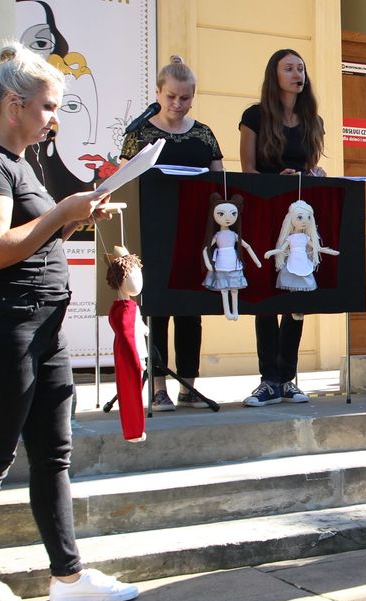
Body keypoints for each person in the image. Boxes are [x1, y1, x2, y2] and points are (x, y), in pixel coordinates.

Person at [0, 41, 138, 601]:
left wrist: (76, 216)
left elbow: (34, 237)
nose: (54, 118)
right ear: (14, 105)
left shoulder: (25, 165)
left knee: (53, 455)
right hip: (4, 326)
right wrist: (62, 213)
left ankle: (68, 575)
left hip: (47, 326)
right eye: (47, 107)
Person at [120, 55, 223, 411]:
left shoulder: (204, 135)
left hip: (194, 234)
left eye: (185, 98)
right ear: (158, 93)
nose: (177, 105)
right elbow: (123, 184)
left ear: (193, 96)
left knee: (190, 309)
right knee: (157, 309)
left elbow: (219, 185)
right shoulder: (141, 134)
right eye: (171, 97)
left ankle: (189, 386)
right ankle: (159, 386)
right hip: (152, 233)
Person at [238, 48, 327, 407]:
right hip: (265, 209)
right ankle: (268, 379)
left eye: (300, 68)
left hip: (298, 218)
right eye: (288, 68)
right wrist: (278, 178)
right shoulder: (254, 116)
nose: (296, 74)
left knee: (296, 291)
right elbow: (248, 171)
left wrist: (312, 174)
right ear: (274, 76)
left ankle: (287, 378)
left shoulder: (312, 120)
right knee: (265, 294)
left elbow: (312, 168)